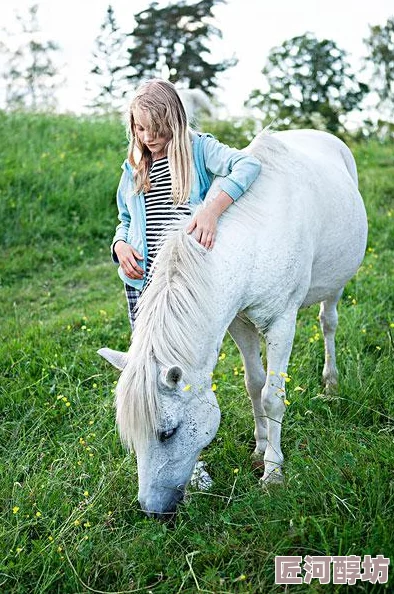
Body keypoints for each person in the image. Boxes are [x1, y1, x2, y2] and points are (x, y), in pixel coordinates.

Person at [111, 78, 261, 330]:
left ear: (175, 120)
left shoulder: (199, 148)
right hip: (140, 279)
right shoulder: (134, 167)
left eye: (157, 128)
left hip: (183, 276)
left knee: (183, 350)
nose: (148, 137)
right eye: (140, 129)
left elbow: (248, 165)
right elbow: (125, 219)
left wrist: (211, 210)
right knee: (146, 352)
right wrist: (120, 245)